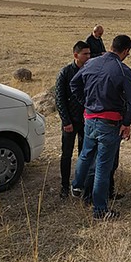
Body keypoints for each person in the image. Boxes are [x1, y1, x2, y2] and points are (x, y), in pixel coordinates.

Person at [70, 35, 131, 220]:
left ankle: (77, 185)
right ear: (125, 51)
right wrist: (126, 123)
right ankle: (99, 210)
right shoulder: (122, 70)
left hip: (90, 119)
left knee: (85, 155)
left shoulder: (91, 63)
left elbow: (74, 83)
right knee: (102, 166)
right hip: (109, 123)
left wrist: (86, 103)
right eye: (128, 53)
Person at [55, 41, 90, 199]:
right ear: (76, 55)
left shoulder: (90, 71)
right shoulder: (65, 72)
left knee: (84, 154)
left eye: (89, 54)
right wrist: (66, 121)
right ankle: (64, 185)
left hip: (86, 121)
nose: (88, 56)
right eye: (85, 54)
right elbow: (60, 99)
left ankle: (80, 184)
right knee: (67, 154)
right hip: (70, 121)